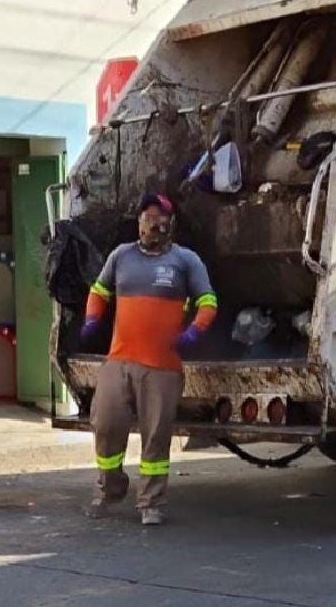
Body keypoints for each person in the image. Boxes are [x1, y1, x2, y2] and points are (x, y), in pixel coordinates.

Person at [81, 193, 218, 526]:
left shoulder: (186, 261)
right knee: (105, 423)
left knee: (156, 436)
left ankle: (150, 504)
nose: (153, 223)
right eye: (148, 216)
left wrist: (195, 332)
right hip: (119, 361)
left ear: (171, 224)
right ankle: (110, 488)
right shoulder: (121, 256)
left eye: (160, 217)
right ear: (138, 222)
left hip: (162, 367)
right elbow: (99, 290)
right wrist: (91, 319)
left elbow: (208, 301)